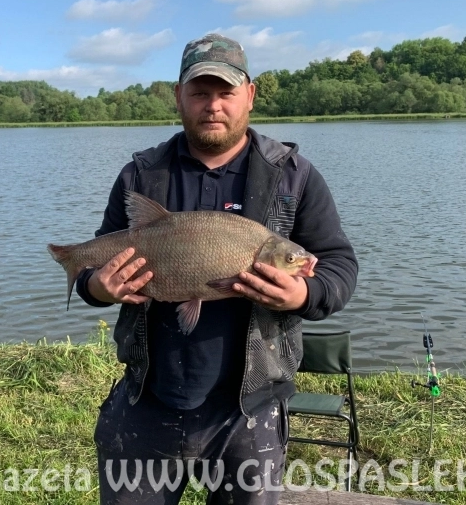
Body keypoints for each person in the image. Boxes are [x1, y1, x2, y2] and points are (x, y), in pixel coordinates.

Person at [74, 33, 358, 504]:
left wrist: (302, 297)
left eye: (225, 92)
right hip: (150, 397)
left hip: (251, 407)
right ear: (178, 96)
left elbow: (339, 267)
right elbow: (95, 267)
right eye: (199, 92)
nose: (213, 106)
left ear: (250, 95)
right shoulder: (141, 175)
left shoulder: (294, 175)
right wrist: (99, 289)